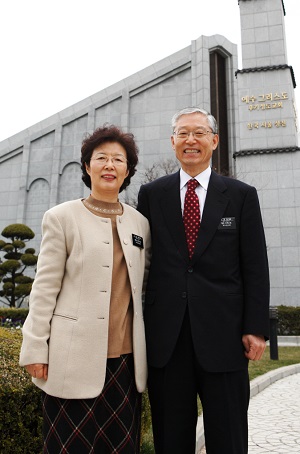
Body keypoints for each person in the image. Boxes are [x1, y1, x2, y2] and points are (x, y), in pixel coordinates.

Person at [137, 107, 270, 454]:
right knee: (171, 437)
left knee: (228, 435)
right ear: (172, 142)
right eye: (183, 133)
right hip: (167, 338)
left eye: (199, 133)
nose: (190, 140)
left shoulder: (241, 195)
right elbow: (145, 262)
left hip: (225, 337)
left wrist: (255, 327)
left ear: (214, 140)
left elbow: (255, 265)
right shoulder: (152, 195)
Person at [19, 124, 151, 453]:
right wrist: (36, 347)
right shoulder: (62, 217)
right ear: (87, 166)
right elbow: (44, 288)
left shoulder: (140, 224)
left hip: (125, 364)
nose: (109, 165)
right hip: (71, 360)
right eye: (101, 158)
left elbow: (144, 286)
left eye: (118, 160)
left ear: (128, 170)